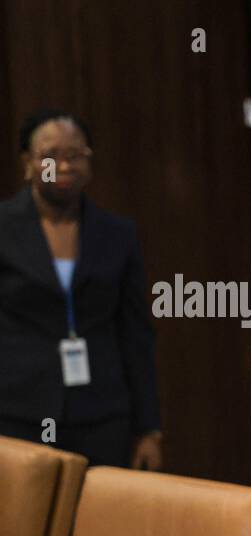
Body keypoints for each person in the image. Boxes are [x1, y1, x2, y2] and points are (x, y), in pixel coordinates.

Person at [0, 109, 162, 468]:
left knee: (100, 520)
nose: (64, 165)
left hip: (102, 414)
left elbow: (135, 334)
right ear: (28, 163)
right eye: (50, 155)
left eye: (75, 155)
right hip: (18, 412)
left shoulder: (118, 234)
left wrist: (148, 428)